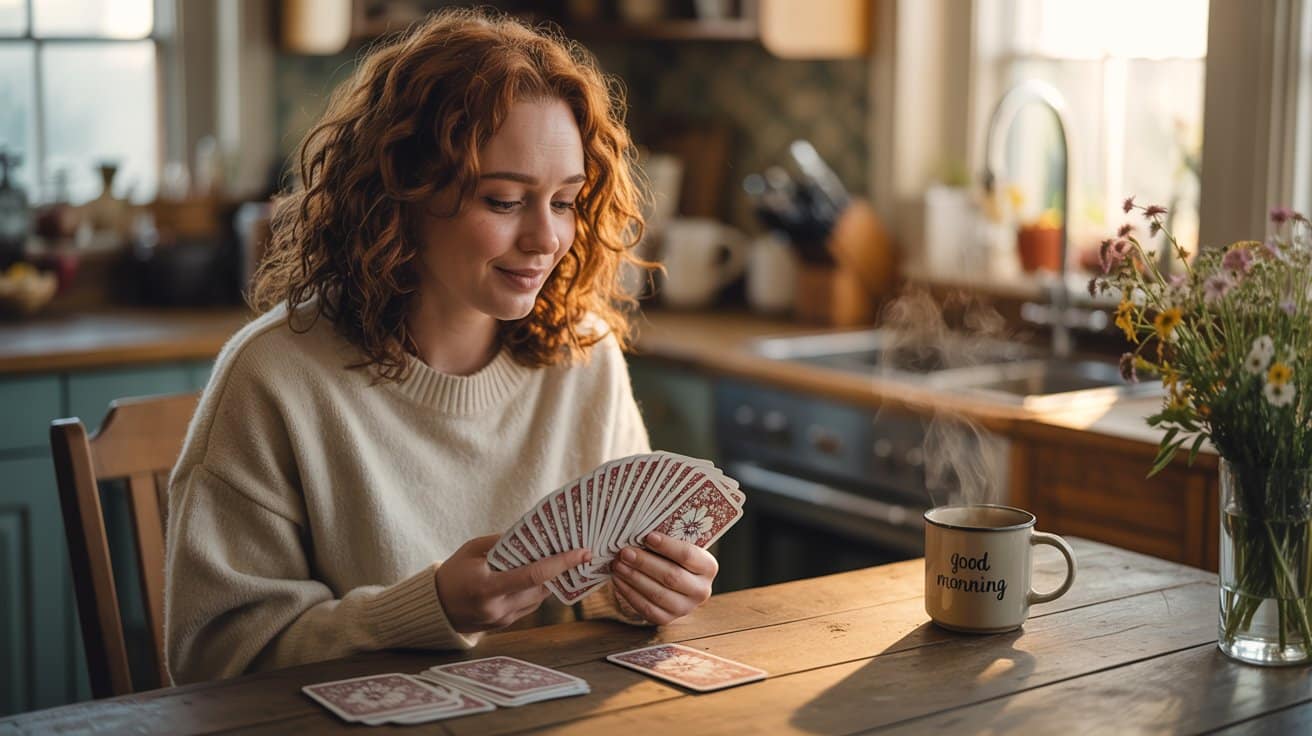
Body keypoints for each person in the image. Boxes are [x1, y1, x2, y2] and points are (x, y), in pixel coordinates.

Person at [163, 8, 719, 685]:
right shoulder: (275, 377)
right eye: (506, 201)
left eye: (567, 202)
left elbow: (603, 586)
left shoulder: (585, 357)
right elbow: (214, 662)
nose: (546, 239)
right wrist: (426, 609)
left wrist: (643, 592)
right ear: (402, 194)